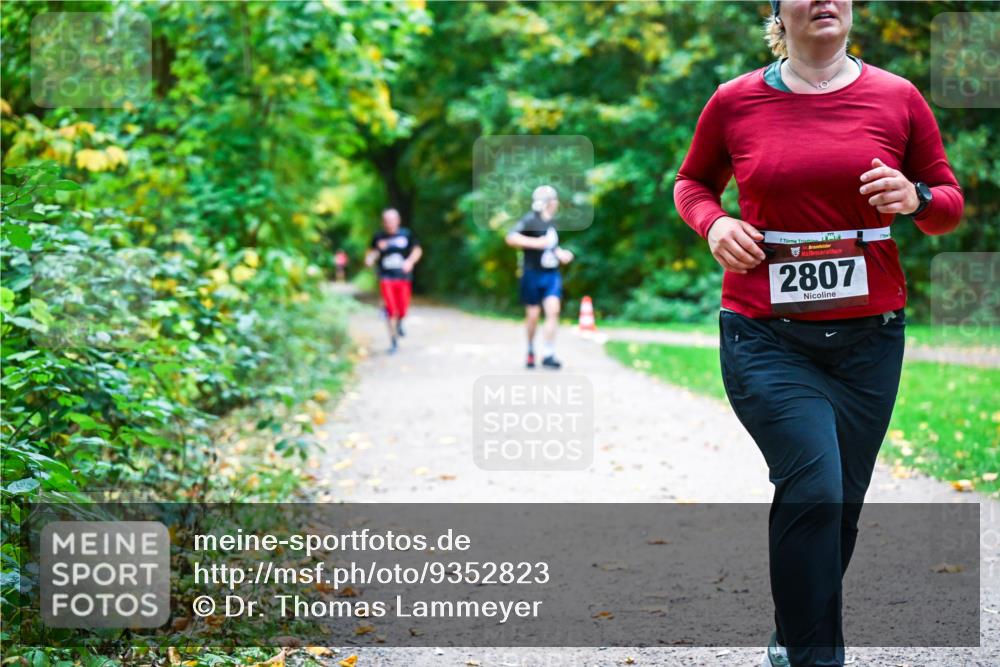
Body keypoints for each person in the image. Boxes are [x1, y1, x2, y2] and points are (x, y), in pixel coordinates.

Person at [673, 2, 963, 666]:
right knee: (814, 488)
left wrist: (915, 198)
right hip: (764, 335)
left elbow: (948, 206)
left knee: (841, 508)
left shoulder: (898, 98)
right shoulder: (735, 102)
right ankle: (814, 656)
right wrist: (714, 224)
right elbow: (692, 183)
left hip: (870, 342)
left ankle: (793, 633)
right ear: (779, 12)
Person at [505, 185, 574, 369]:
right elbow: (511, 237)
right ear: (548, 202)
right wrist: (536, 243)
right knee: (533, 315)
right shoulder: (530, 220)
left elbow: (551, 247)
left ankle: (549, 353)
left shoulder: (552, 222)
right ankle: (530, 350)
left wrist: (561, 253)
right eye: (554, 199)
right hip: (532, 273)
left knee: (554, 310)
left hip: (551, 274)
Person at [365, 208, 422, 353]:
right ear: (383, 222)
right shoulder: (378, 237)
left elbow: (417, 250)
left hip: (403, 277)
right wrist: (370, 259)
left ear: (398, 221)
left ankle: (400, 322)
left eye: (392, 220)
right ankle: (393, 341)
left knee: (402, 309)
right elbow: (372, 253)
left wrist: (410, 262)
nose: (389, 224)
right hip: (386, 277)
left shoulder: (406, 234)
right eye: (386, 221)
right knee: (390, 310)